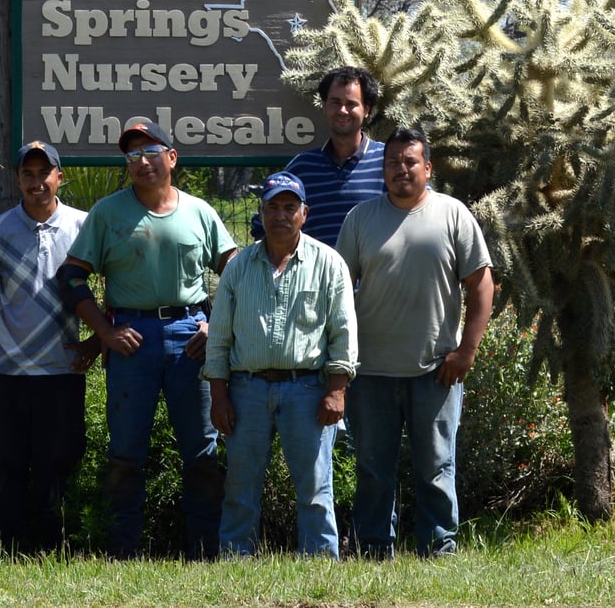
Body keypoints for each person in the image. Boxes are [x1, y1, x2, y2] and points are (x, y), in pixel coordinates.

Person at [57, 121, 238, 560]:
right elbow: (71, 276)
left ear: (172, 157)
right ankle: (124, 550)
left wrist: (215, 329)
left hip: (191, 336)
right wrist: (103, 332)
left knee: (201, 450)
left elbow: (236, 274)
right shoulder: (108, 213)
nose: (141, 161)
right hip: (131, 341)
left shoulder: (199, 212)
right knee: (125, 451)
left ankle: (204, 550)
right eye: (132, 155)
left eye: (151, 151)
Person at [335, 127, 494, 558]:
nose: (400, 170)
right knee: (372, 470)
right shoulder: (360, 219)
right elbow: (339, 289)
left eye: (410, 162)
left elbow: (482, 285)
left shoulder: (453, 214)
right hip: (370, 372)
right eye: (392, 163)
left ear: (427, 168)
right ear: (383, 169)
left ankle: (438, 549)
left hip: (435, 371)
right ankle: (373, 549)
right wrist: (340, 358)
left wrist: (467, 352)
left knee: (436, 468)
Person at [204, 171, 358, 558]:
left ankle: (320, 566)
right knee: (240, 486)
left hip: (307, 389)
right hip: (246, 390)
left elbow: (343, 333)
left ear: (304, 213)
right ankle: (235, 561)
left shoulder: (329, 263)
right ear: (261, 211)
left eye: (290, 207)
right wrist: (218, 396)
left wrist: (337, 391)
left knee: (315, 488)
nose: (280, 215)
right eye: (272, 207)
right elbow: (219, 337)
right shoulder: (238, 267)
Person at [0, 140, 98, 555]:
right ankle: (7, 551)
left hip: (62, 372)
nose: (36, 182)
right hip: (8, 373)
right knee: (6, 466)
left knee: (57, 466)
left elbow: (113, 289)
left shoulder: (84, 227)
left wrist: (98, 341)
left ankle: (51, 552)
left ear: (59, 177)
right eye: (27, 174)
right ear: (17, 180)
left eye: (43, 173)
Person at [252, 65, 384, 247]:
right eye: (335, 102)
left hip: (373, 275)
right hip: (315, 275)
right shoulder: (301, 168)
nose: (342, 110)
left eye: (351, 104)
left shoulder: (389, 163)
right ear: (324, 106)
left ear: (366, 109)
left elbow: (421, 211)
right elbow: (263, 225)